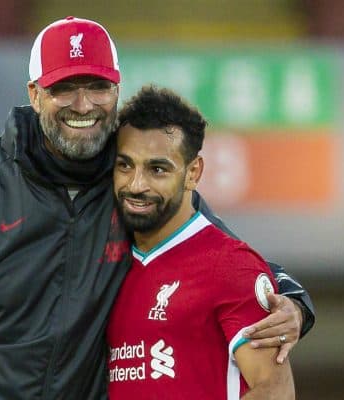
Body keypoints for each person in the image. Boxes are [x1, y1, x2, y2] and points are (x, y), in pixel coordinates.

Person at [0, 16, 312, 399]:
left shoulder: (134, 184)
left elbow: (219, 254)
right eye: (65, 87)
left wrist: (292, 299)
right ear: (36, 93)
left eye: (97, 87)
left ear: (117, 89)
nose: (83, 105)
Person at [107, 86, 295, 399]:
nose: (136, 184)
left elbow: (276, 391)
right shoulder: (108, 265)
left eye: (157, 169)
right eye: (125, 165)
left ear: (193, 172)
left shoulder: (231, 265)